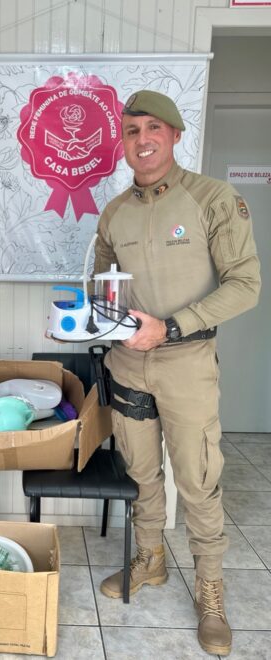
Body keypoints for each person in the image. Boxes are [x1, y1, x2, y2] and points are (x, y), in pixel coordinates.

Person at [95, 90, 260, 657]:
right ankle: (151, 559)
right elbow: (104, 291)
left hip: (187, 364)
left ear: (174, 135)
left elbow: (246, 285)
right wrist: (85, 320)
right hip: (127, 365)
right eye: (132, 130)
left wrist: (170, 326)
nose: (142, 140)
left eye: (153, 128)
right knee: (142, 473)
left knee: (198, 480)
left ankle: (211, 590)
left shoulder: (214, 198)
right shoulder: (115, 212)